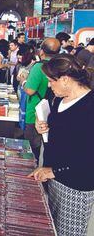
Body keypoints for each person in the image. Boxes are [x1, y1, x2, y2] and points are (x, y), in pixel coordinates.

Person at [29, 54, 94, 236]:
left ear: (65, 79)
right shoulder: (58, 98)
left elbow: (89, 159)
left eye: (51, 81)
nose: (49, 85)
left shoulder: (89, 107)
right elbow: (59, 127)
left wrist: (53, 171)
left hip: (75, 185)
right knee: (51, 227)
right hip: (53, 177)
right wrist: (41, 124)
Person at [19, 38, 60, 162]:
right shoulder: (60, 66)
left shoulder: (39, 67)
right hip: (53, 110)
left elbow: (30, 90)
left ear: (41, 51)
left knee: (32, 147)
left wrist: (23, 81)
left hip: (36, 112)